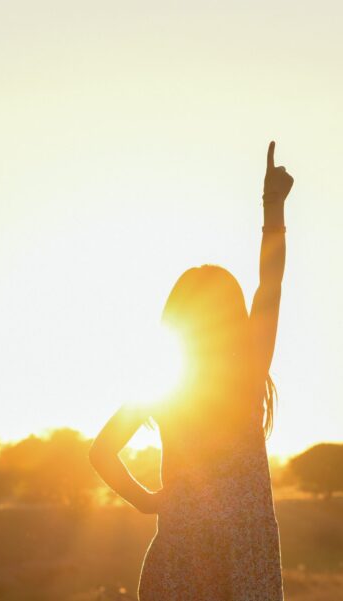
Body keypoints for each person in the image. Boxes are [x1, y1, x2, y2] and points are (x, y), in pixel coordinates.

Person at [89, 141, 293, 600]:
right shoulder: (243, 378)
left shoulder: (165, 387)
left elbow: (101, 451)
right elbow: (270, 285)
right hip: (242, 558)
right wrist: (273, 208)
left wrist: (148, 500)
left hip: (184, 555)